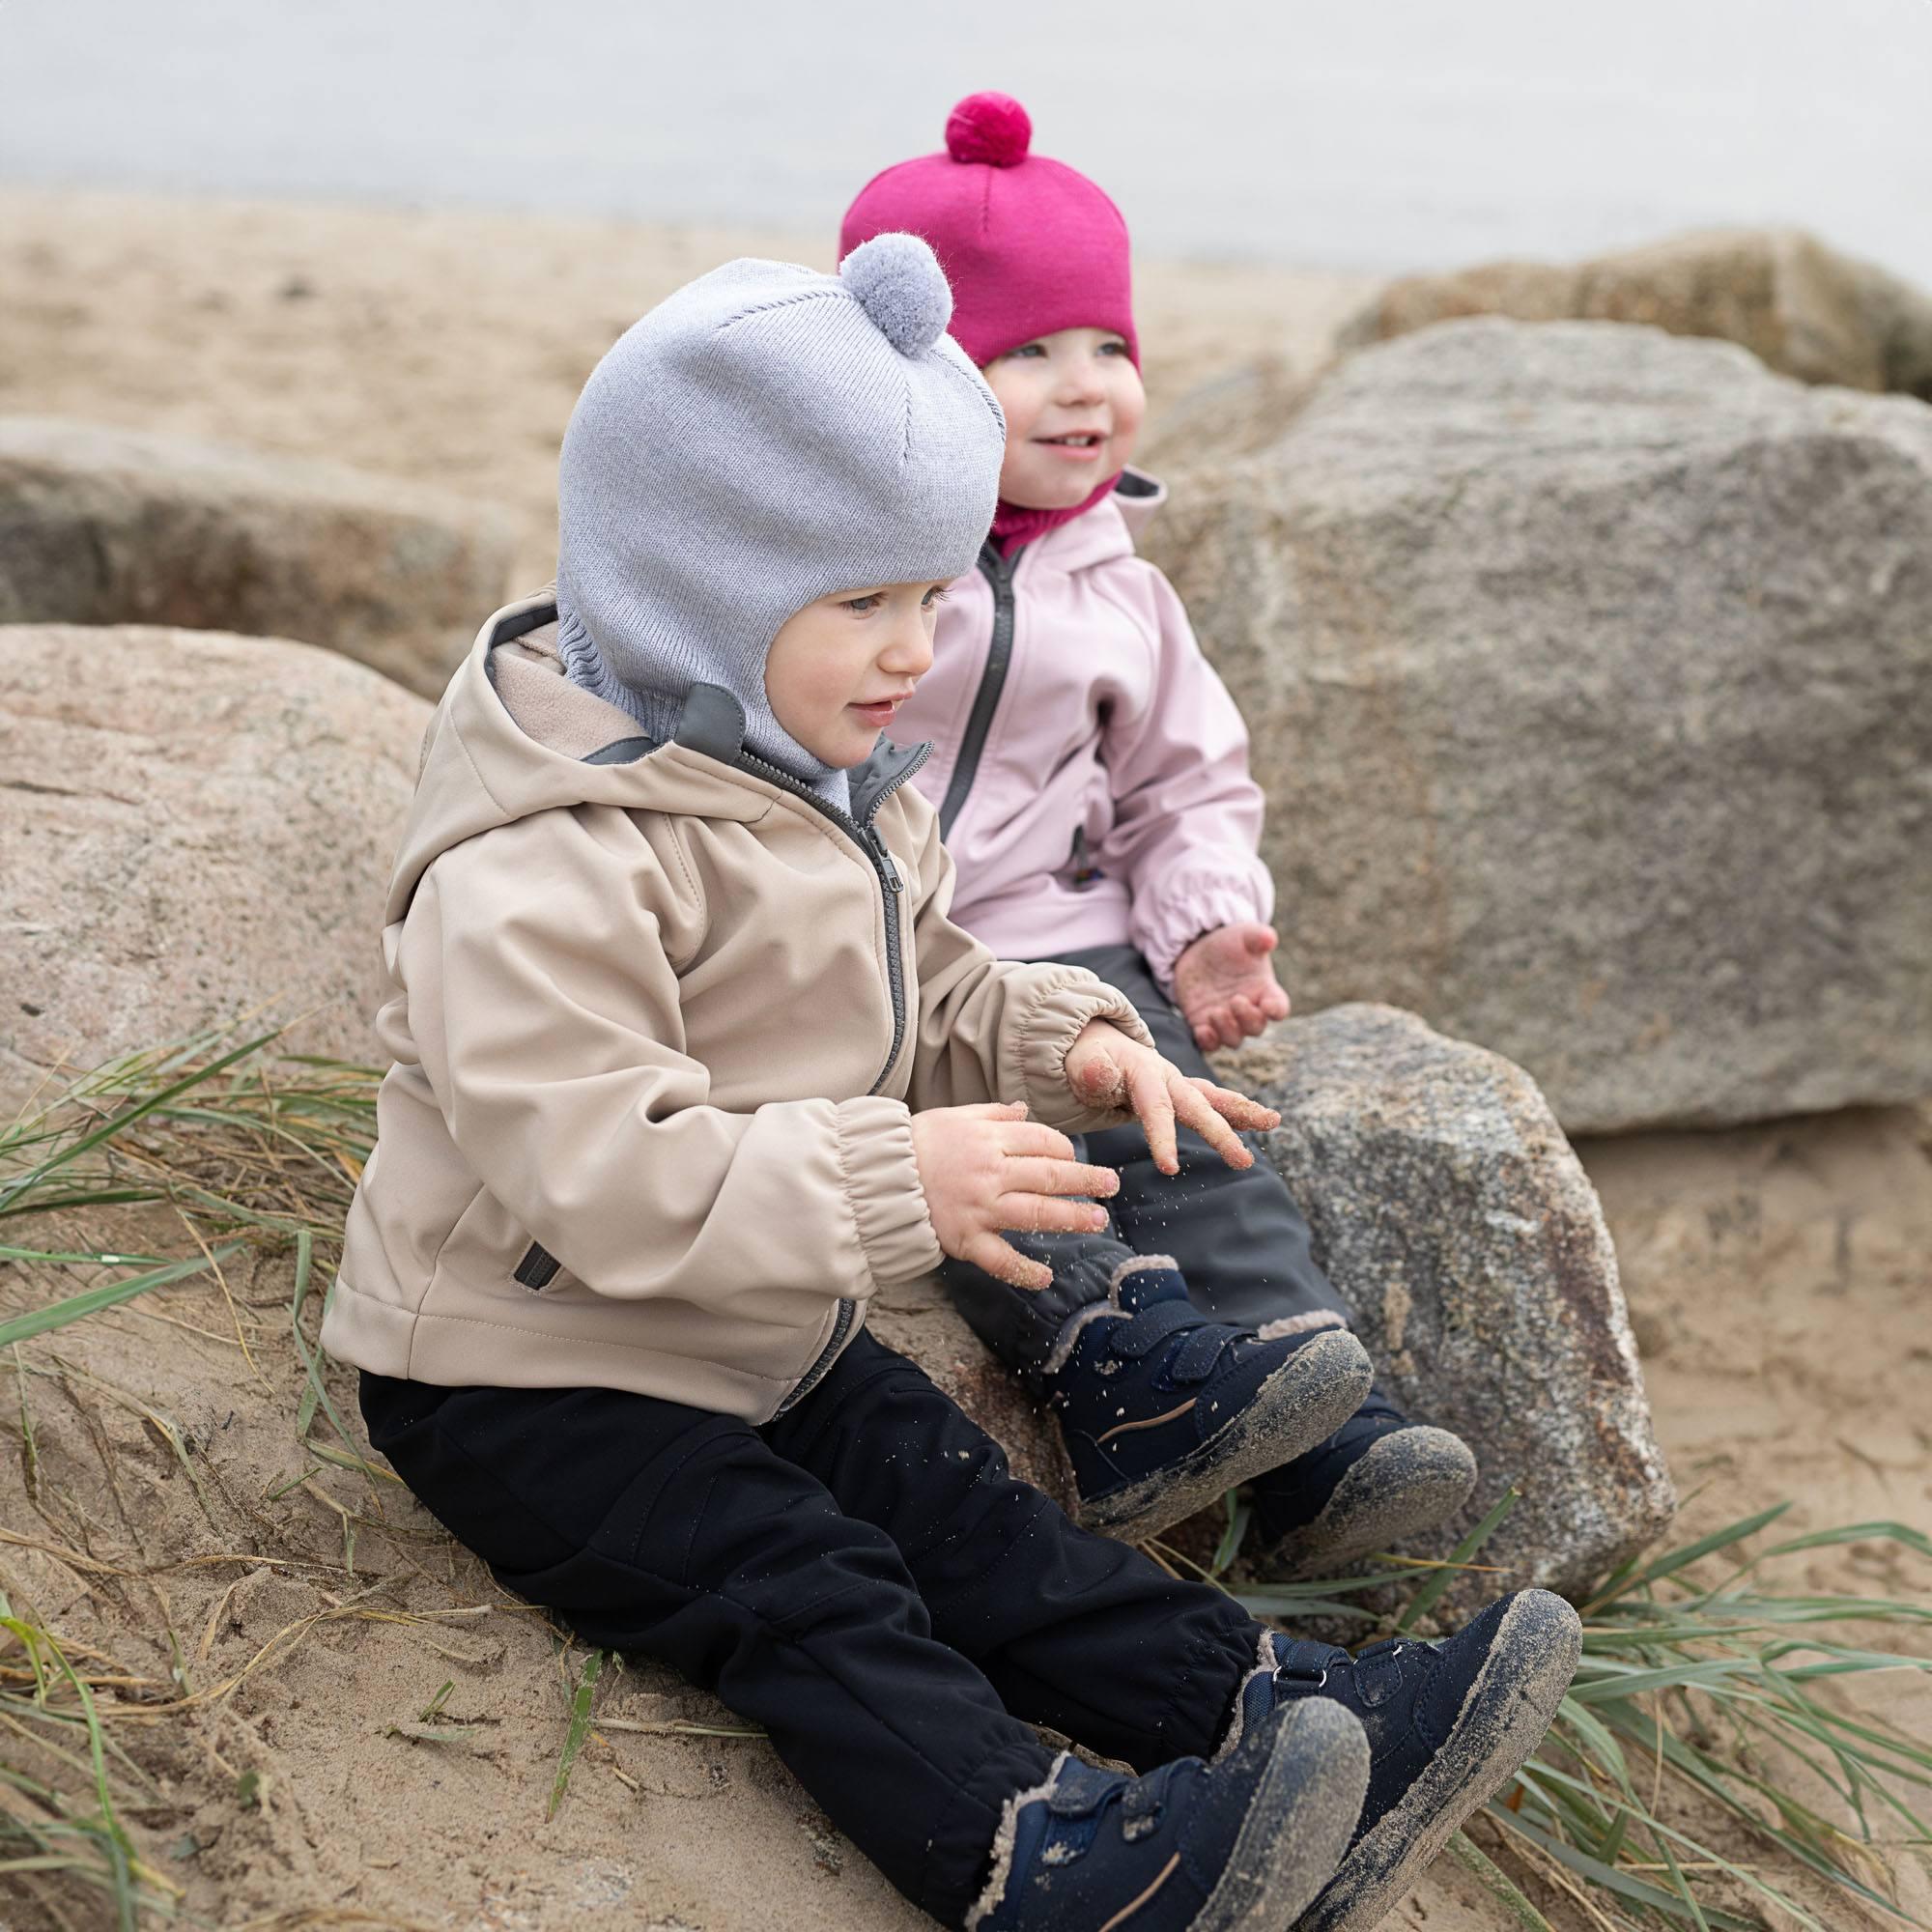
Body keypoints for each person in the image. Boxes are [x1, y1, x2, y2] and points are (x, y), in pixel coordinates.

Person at [320, 234, 1579, 1931]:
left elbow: (934, 971)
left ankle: (1264, 1707)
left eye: (932, 595)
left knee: (979, 1525)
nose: (918, 647)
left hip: (749, 1326)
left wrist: (1072, 1038)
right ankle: (1035, 1859)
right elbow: (596, 1167)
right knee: (804, 1586)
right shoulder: (541, 861)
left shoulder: (816, 767)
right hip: (526, 1376)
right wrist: (897, 1184)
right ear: (700, 583)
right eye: (863, 604)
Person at [838, 96, 1481, 1574]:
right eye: (1029, 354)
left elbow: (1185, 781)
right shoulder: (861, 574)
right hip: (899, 952)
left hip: (1079, 946)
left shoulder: (1118, 585)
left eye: (1111, 348)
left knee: (1200, 1151)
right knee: (1007, 1175)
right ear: (914, 382)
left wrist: (1200, 925)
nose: (1088, 389)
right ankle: (1126, 1377)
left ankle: (1333, 1439)